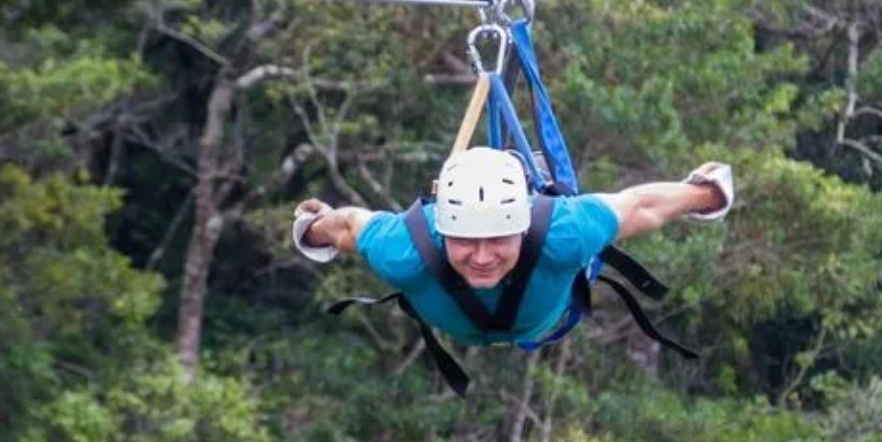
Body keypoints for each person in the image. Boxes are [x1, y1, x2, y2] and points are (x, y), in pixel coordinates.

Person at [292, 146, 733, 352]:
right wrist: (312, 229)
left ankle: (532, 173)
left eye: (498, 239)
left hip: (539, 307)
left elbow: (641, 207)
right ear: (443, 231)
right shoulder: (406, 249)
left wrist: (705, 195)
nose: (482, 258)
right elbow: (348, 227)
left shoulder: (562, 233)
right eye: (465, 241)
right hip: (520, 314)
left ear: (522, 229)